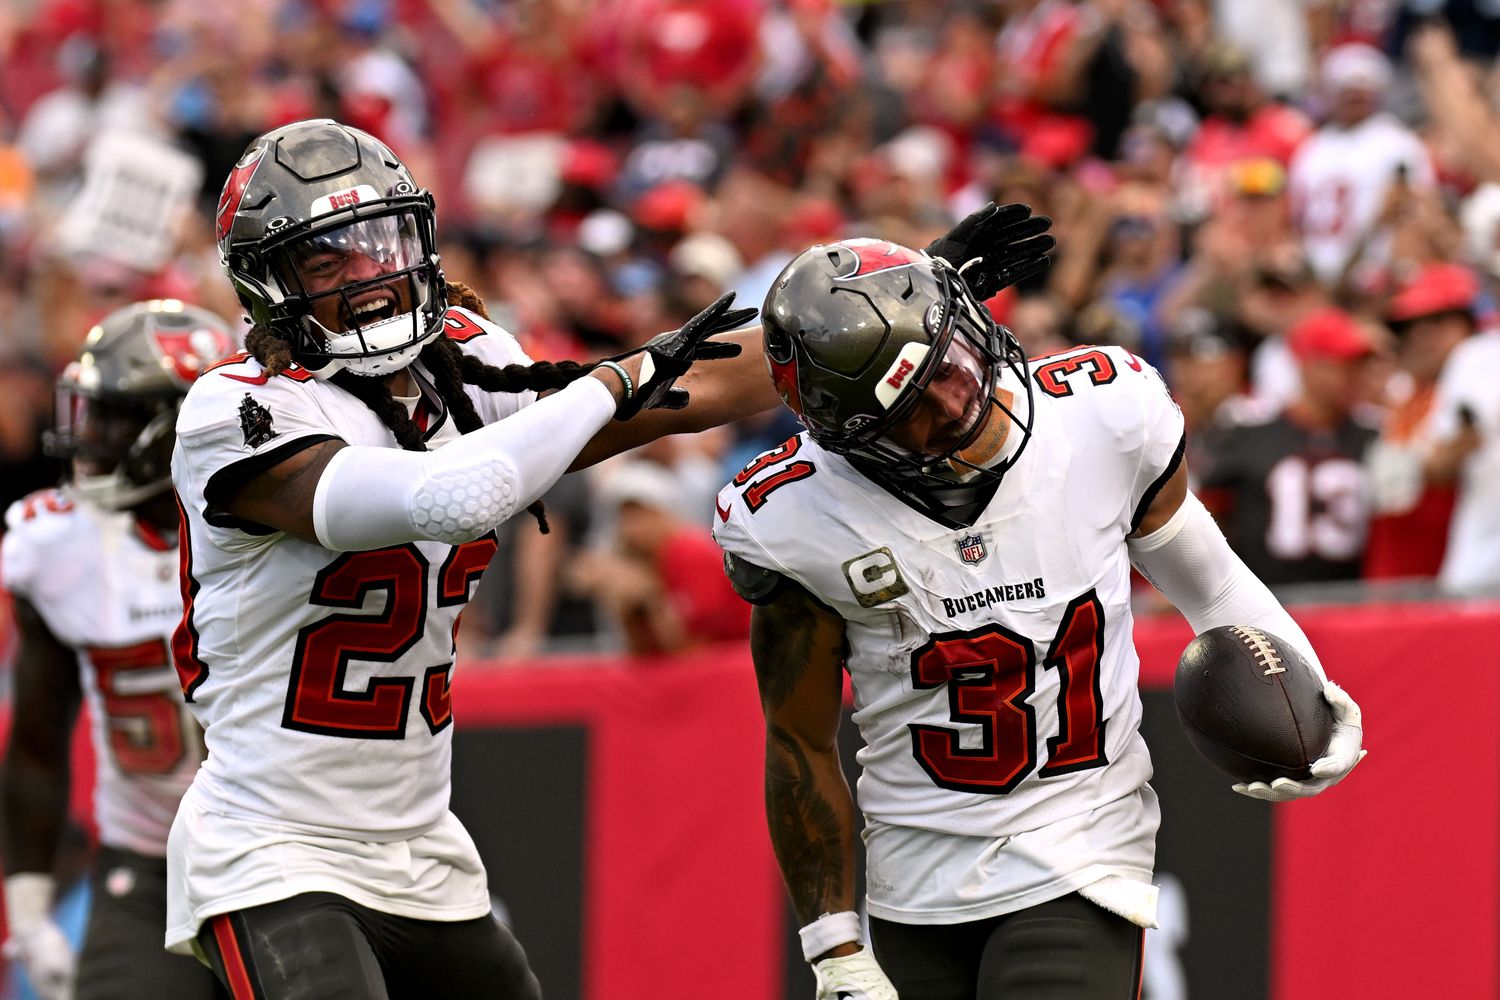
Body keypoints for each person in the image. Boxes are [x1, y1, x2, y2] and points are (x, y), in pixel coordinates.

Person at [169, 117, 1048, 998]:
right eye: (327, 262)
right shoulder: (234, 414)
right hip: (271, 843)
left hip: (421, 845)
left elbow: (689, 385)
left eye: (380, 243)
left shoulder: (462, 365)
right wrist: (613, 381)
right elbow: (455, 493)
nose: (370, 278)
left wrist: (894, 312)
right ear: (268, 286)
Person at [712, 238, 1366, 999]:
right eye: (915, 410)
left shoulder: (1102, 415)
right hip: (911, 881)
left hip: (1080, 851)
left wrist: (1307, 694)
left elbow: (1212, 587)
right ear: (848, 436)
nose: (961, 402)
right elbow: (798, 737)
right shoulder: (795, 517)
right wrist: (834, 946)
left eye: (951, 364)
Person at [1, 300, 238, 1000]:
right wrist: (29, 915)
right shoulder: (59, 546)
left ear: (180, 422)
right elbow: (38, 744)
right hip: (149, 867)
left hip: (291, 849)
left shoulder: (279, 527)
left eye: (113, 416)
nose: (90, 434)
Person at [1199, 307, 1380, 588]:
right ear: (1307, 365)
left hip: (1350, 601)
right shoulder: (1251, 431)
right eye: (1340, 363)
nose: (1352, 375)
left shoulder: (1374, 433)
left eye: (1357, 364)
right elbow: (1208, 512)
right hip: (1266, 600)